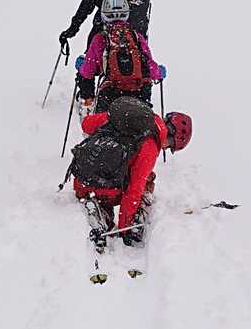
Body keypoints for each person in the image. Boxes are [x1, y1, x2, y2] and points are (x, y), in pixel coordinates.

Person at [69, 95, 192, 246]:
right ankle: (104, 215)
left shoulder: (131, 118)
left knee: (126, 172)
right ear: (171, 138)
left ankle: (91, 203)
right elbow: (134, 190)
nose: (165, 148)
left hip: (81, 175)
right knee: (146, 182)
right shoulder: (150, 145)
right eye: (170, 146)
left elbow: (86, 124)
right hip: (103, 185)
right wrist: (124, 229)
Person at [75, 0, 165, 113]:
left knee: (104, 124)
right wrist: (160, 72)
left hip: (111, 94)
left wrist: (81, 65)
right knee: (140, 122)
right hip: (140, 93)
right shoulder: (136, 37)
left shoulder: (100, 39)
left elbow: (88, 72)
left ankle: (89, 105)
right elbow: (150, 67)